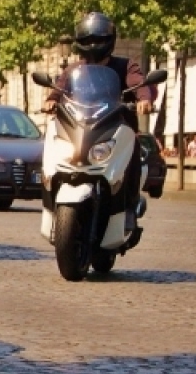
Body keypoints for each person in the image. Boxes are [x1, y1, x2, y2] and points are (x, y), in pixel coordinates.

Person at [43, 12, 156, 229]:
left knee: (132, 155)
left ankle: (129, 206)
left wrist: (144, 99)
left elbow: (139, 83)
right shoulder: (73, 70)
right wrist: (51, 100)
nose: (93, 44)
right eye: (87, 40)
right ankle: (51, 203)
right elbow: (60, 89)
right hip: (80, 128)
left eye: (98, 40)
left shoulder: (126, 66)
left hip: (115, 128)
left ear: (110, 40)